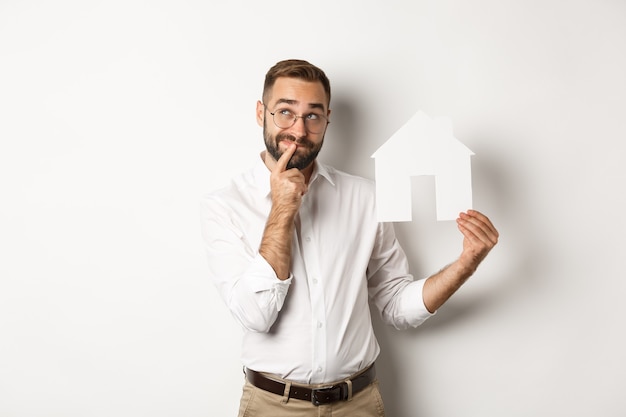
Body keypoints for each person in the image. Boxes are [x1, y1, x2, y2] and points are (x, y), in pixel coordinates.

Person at [201, 59, 499, 417]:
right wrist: (282, 209)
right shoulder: (224, 206)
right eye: (285, 112)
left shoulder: (365, 198)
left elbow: (395, 305)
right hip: (272, 406)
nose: (298, 129)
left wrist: (466, 263)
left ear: (327, 119)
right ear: (261, 112)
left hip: (357, 404)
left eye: (312, 115)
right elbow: (256, 315)